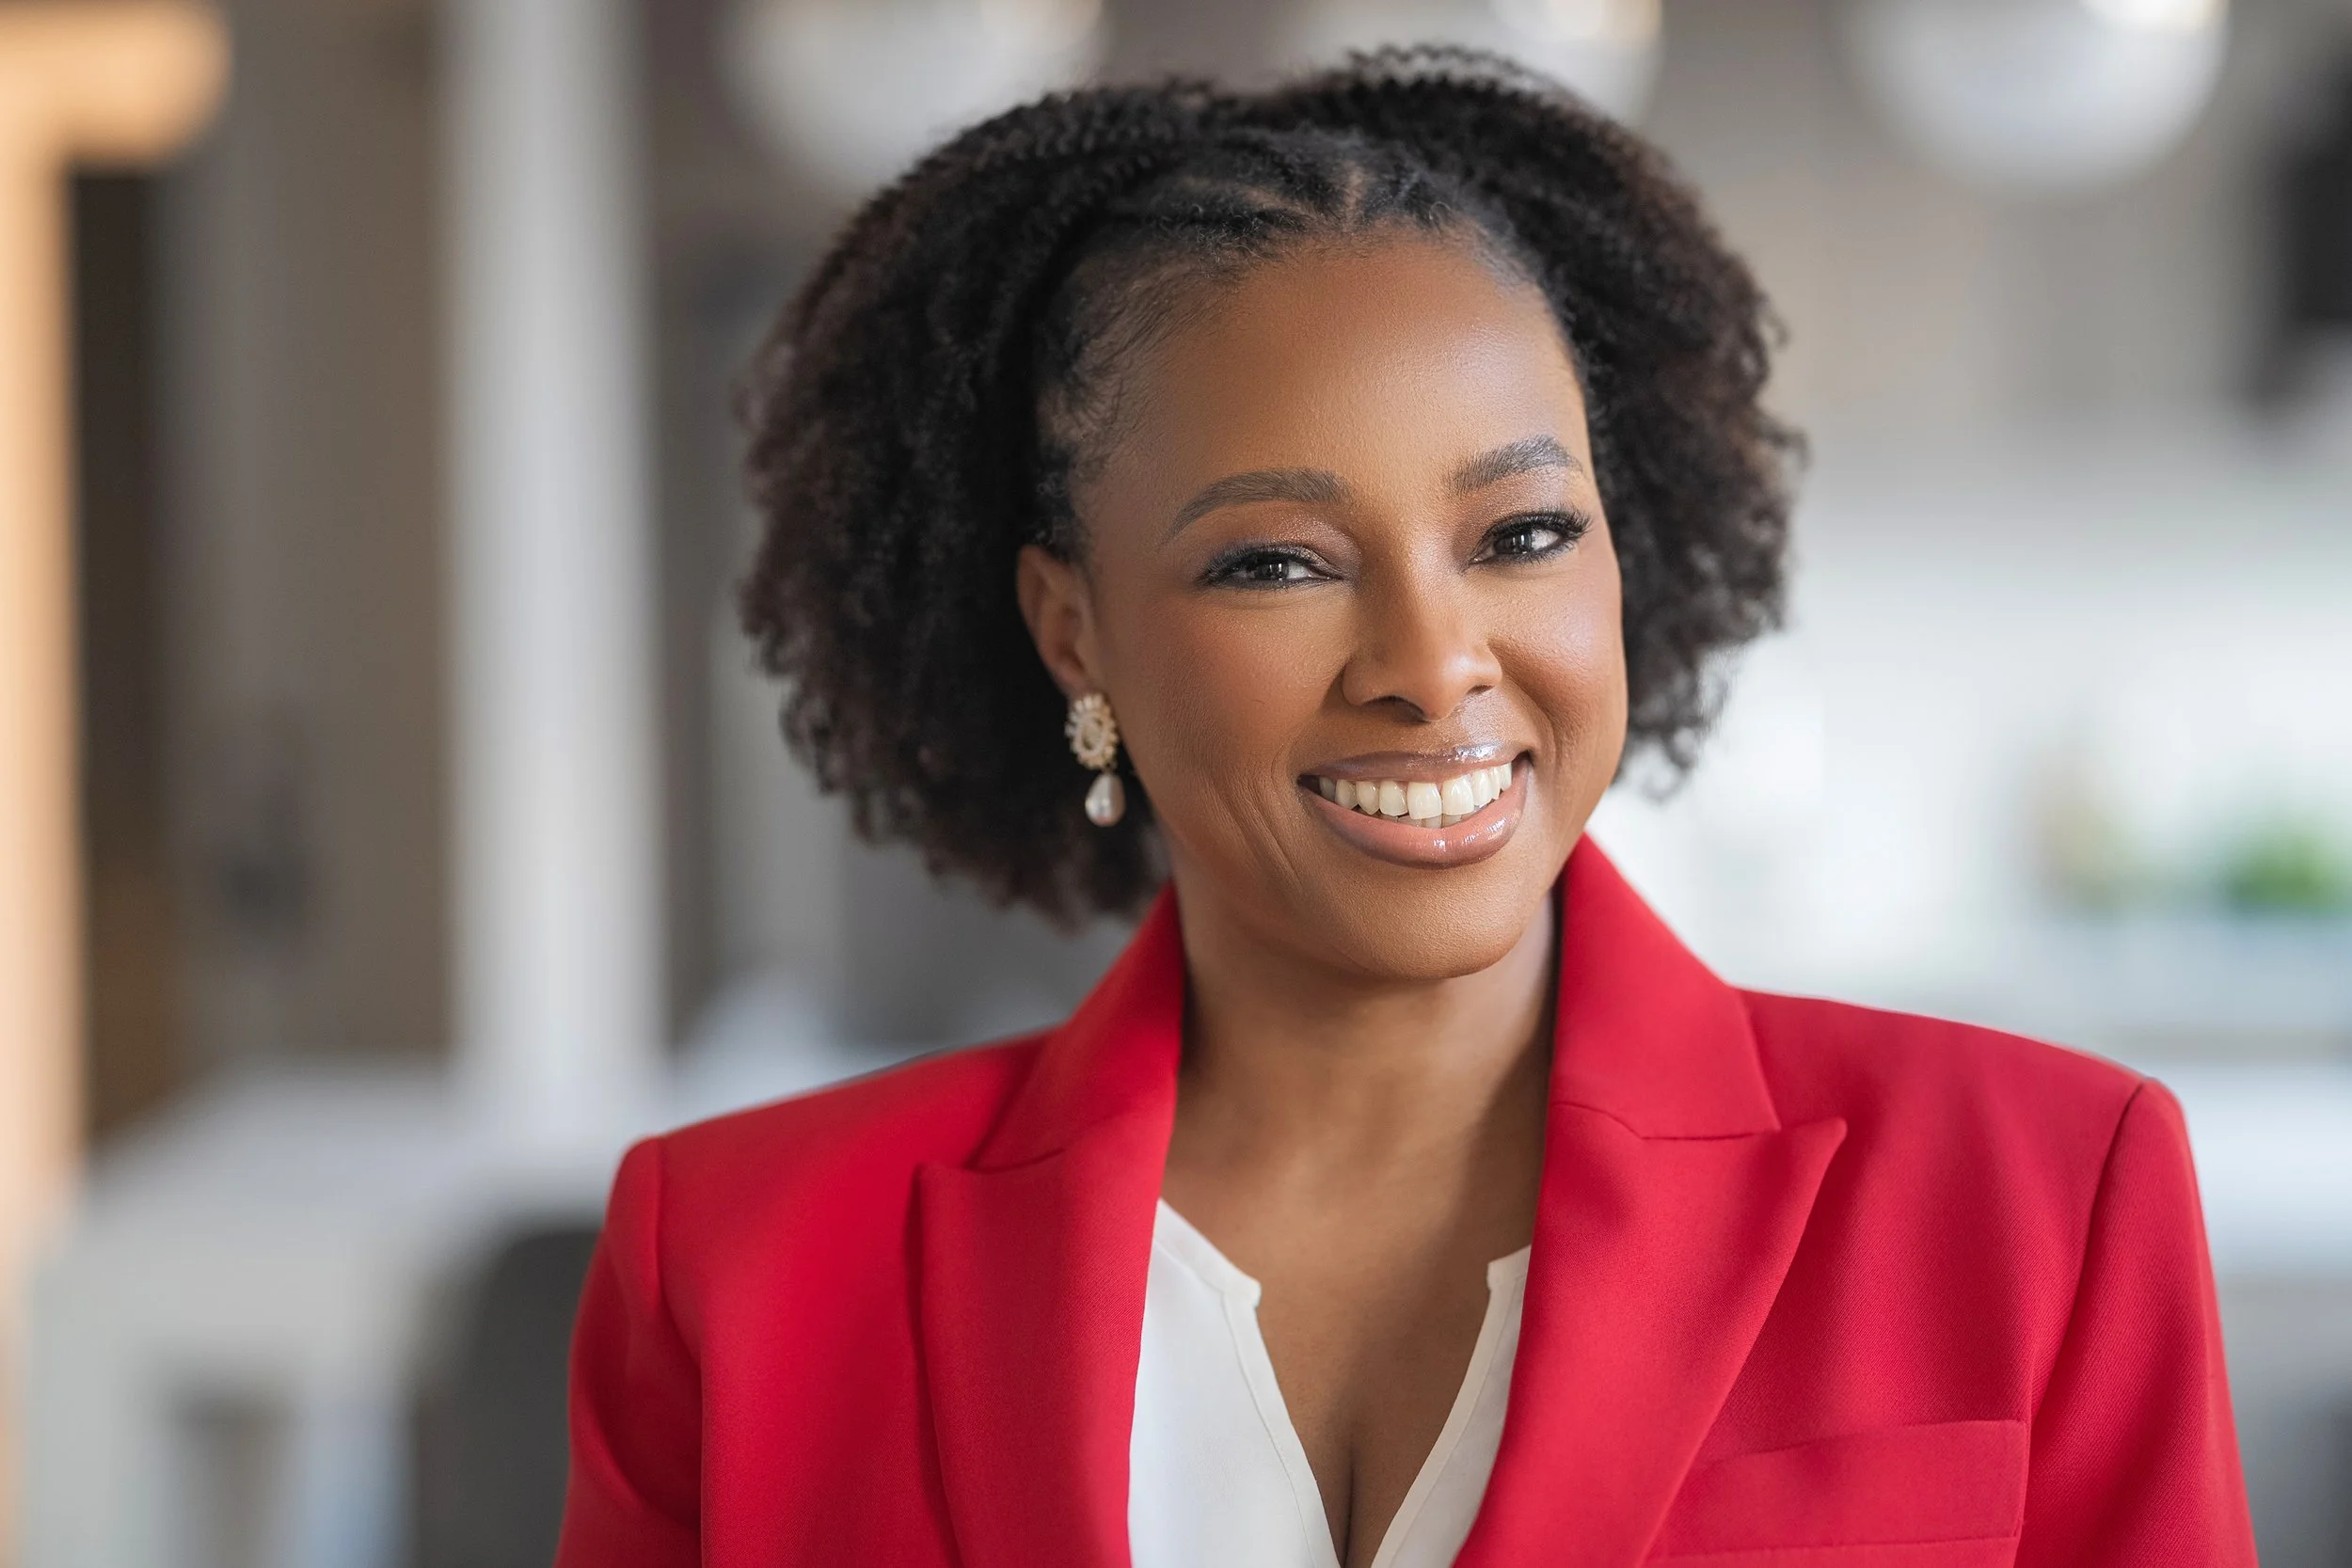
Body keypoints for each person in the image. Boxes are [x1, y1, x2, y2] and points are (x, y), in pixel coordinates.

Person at [554, 48, 2256, 1568]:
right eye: (1278, 560)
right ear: (1073, 625)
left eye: (1520, 534)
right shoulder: (735, 1266)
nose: (1435, 666)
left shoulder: (2042, 1196)